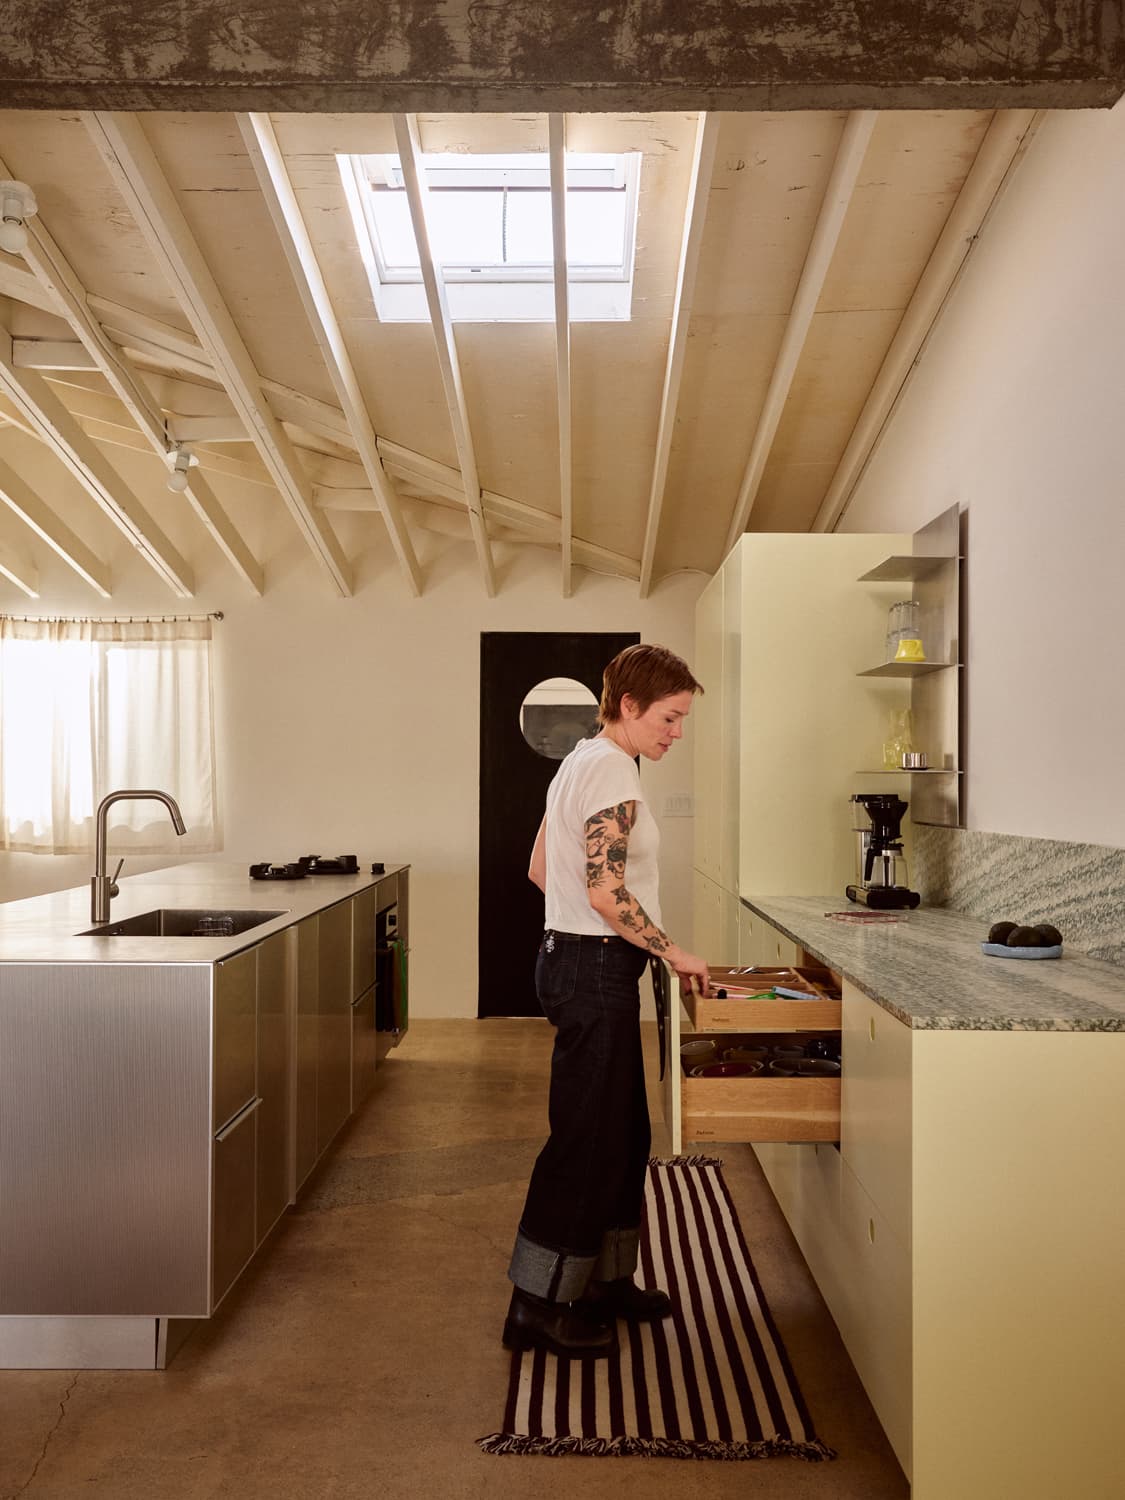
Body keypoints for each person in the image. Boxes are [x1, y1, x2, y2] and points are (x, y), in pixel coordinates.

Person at [503, 643, 711, 1359]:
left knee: (623, 1136)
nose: (676, 732)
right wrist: (669, 949)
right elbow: (604, 887)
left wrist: (586, 934)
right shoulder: (610, 772)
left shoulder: (584, 762)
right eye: (669, 716)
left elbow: (540, 867)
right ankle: (537, 1304)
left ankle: (601, 1281)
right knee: (588, 1141)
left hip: (583, 961)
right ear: (628, 705)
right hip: (593, 970)